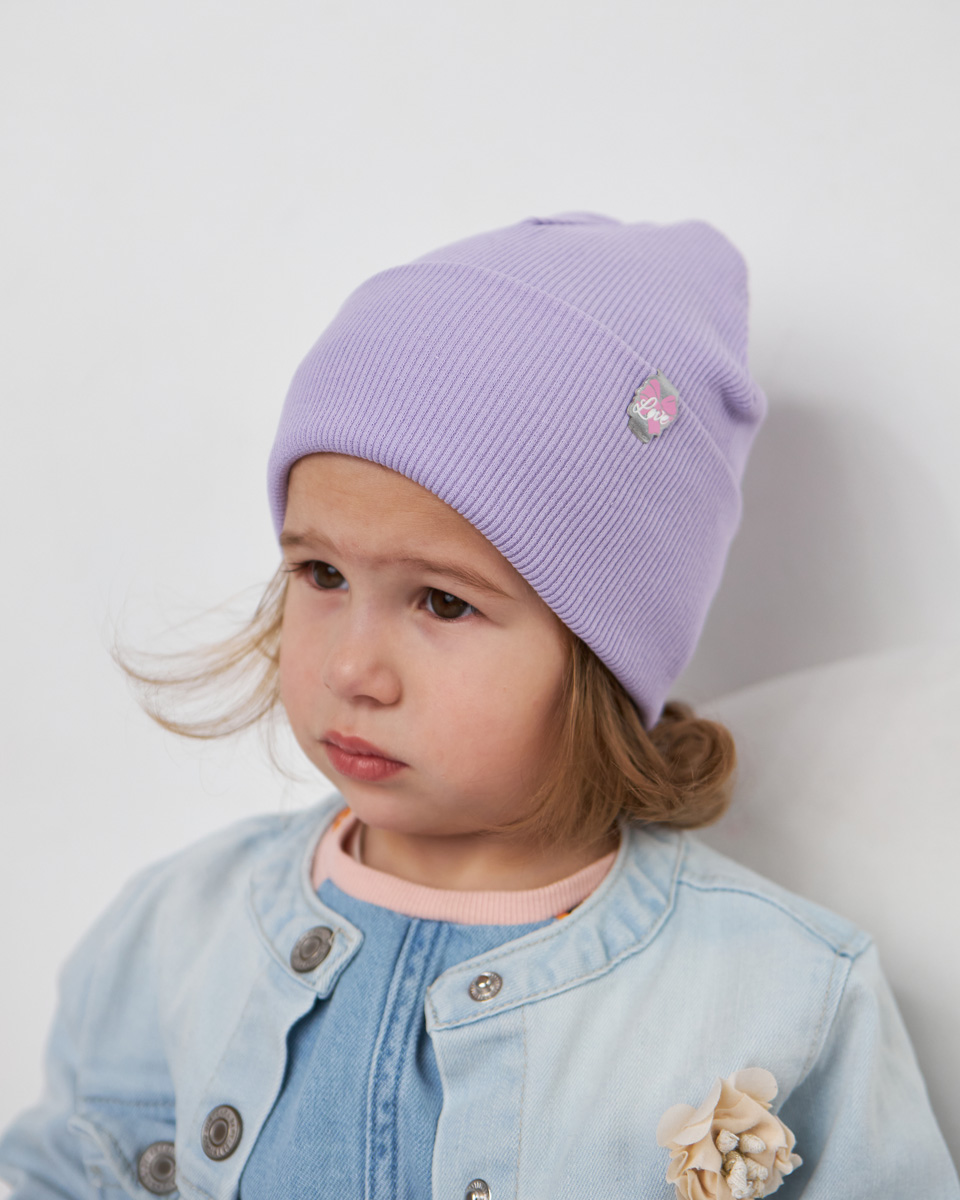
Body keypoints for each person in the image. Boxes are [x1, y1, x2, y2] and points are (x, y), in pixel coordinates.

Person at [0, 212, 956, 1200]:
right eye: (322, 574)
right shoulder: (175, 933)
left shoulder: (782, 996)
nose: (352, 669)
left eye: (443, 602)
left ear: (602, 653)